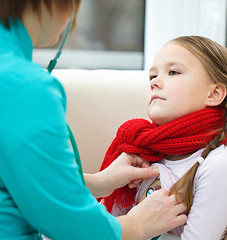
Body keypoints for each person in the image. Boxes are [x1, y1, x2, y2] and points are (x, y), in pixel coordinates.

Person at [0, 1, 187, 240]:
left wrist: (100, 182)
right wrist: (137, 225)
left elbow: (19, 175)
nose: (71, 16)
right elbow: (66, 223)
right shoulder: (26, 88)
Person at [99, 36, 227, 240]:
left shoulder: (217, 167)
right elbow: (98, 224)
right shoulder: (139, 154)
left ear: (214, 94)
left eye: (173, 72)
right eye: (152, 76)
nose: (155, 82)